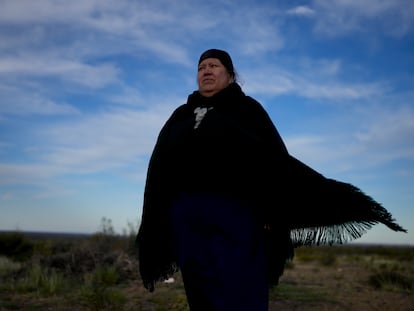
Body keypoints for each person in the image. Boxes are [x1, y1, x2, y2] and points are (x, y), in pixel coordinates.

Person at [136, 49, 406, 310]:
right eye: (201, 67)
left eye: (214, 65)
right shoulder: (180, 116)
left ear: (230, 75)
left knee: (240, 286)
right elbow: (159, 168)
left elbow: (274, 161)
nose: (206, 71)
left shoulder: (247, 110)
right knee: (199, 286)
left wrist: (271, 213)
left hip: (236, 215)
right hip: (187, 218)